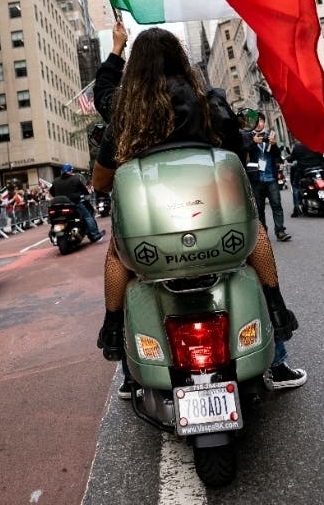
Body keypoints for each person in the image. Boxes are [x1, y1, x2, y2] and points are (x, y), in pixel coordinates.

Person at [92, 21, 305, 393]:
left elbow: (100, 172)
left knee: (117, 255)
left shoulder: (125, 113)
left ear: (136, 67)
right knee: (253, 233)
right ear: (181, 59)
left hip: (153, 238)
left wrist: (115, 49)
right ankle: (276, 324)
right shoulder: (209, 102)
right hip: (214, 227)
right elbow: (235, 160)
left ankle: (116, 339)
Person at [248, 116, 289, 240]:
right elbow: (244, 152)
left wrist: (275, 145)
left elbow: (278, 156)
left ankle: (280, 231)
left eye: (261, 121)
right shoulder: (248, 136)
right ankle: (263, 232)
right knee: (259, 209)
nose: (259, 124)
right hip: (257, 179)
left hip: (271, 177)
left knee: (276, 204)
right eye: (256, 121)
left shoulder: (270, 135)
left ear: (264, 122)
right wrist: (252, 143)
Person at [49, 163, 105, 241]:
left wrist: (57, 196)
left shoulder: (56, 181)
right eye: (72, 170)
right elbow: (84, 190)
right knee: (87, 216)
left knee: (54, 218)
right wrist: (85, 194)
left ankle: (55, 236)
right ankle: (95, 234)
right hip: (74, 203)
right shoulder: (75, 179)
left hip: (59, 205)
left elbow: (51, 191)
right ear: (70, 171)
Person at [287, 138, 324, 216]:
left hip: (304, 169)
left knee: (295, 186)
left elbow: (292, 158)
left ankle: (296, 207)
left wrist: (288, 158)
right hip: (319, 168)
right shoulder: (315, 143)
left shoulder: (298, 146)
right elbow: (321, 155)